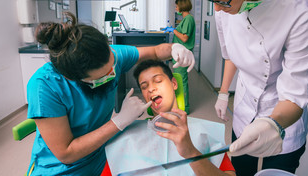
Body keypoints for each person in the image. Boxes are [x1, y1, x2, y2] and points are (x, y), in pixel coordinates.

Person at [191, 0, 308, 175]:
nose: (217, 9)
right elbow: (230, 54)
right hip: (243, 110)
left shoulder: (301, 15)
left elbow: (294, 97)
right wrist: (223, 93)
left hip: (284, 119)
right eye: (212, 0)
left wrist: (273, 123)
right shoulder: (225, 11)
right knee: (240, 168)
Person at [25, 12, 195, 176]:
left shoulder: (111, 56)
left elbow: (157, 52)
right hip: (63, 169)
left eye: (113, 66)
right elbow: (66, 153)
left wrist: (175, 48)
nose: (114, 73)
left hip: (105, 153)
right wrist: (118, 121)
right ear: (76, 78)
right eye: (105, 75)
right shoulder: (45, 86)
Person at [105, 60, 236, 176]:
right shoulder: (127, 137)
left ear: (174, 83)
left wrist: (191, 152)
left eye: (158, 81)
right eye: (144, 87)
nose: (151, 88)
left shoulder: (205, 131)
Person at [163, 0, 196, 114]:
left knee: (181, 81)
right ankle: (180, 105)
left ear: (181, 6)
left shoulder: (188, 19)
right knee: (178, 79)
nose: (175, 8)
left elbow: (185, 38)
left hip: (183, 55)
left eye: (176, 6)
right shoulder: (186, 19)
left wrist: (173, 30)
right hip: (179, 54)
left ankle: (184, 108)